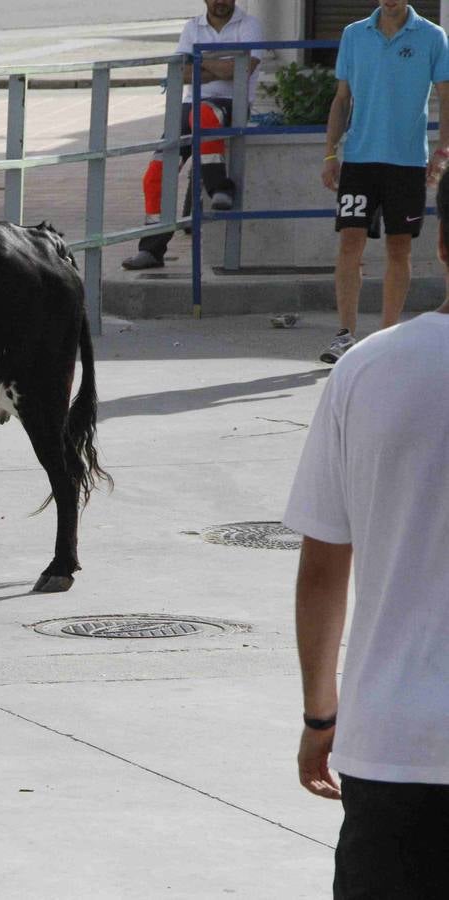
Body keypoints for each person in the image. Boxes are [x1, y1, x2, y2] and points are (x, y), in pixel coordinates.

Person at [285, 169, 449, 897]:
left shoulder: (367, 368)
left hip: (393, 744)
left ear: (444, 245)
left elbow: (323, 568)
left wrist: (322, 713)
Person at [317, 0, 449, 364]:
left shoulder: (432, 36)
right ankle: (344, 334)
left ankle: (387, 338)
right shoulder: (354, 34)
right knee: (350, 241)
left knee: (398, 247)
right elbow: (342, 98)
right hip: (359, 160)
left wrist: (442, 152)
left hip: (407, 162)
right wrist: (330, 153)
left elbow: (445, 96)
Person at [122, 0, 262, 271]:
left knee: (204, 114)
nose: (220, 1)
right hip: (189, 107)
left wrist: (201, 60)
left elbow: (243, 69)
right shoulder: (192, 27)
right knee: (155, 176)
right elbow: (181, 72)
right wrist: (221, 64)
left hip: (230, 104)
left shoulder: (249, 25)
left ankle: (220, 188)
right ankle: (151, 250)